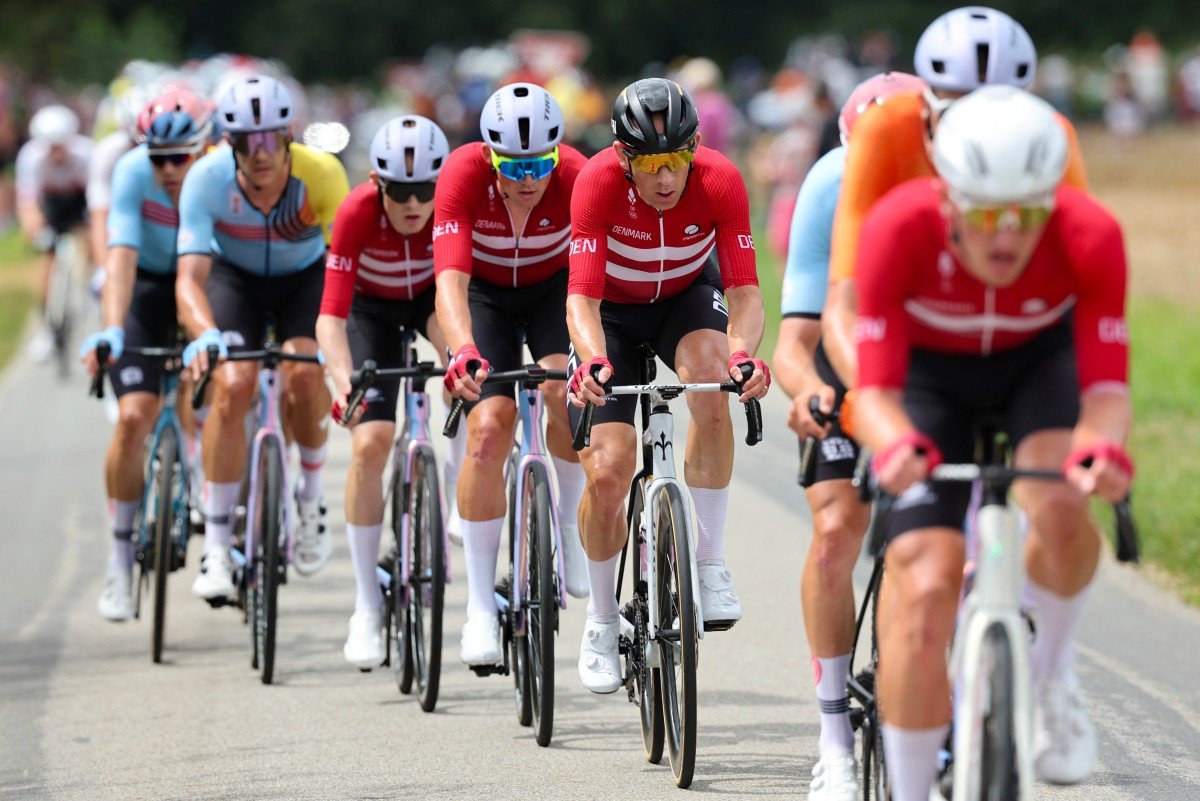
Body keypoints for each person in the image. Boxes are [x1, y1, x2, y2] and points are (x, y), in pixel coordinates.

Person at [852, 86, 1133, 800]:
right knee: (925, 584)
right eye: (984, 214)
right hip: (930, 379)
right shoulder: (895, 226)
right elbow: (874, 393)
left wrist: (1101, 449)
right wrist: (895, 445)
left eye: (1027, 215)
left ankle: (1050, 672)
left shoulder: (1091, 233)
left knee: (1061, 503)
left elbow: (1106, 391)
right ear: (947, 199)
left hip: (1038, 364)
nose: (1006, 237)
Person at [565, 78, 770, 693]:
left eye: (678, 159)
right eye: (650, 164)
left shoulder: (720, 179)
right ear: (623, 156)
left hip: (685, 298)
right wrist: (592, 361)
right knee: (608, 470)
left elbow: (744, 291)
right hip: (613, 314)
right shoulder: (597, 182)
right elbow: (581, 297)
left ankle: (708, 561)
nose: (666, 177)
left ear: (695, 147)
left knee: (711, 381)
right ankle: (602, 619)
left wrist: (743, 355)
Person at [771, 71, 927, 801]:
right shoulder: (830, 186)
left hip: (927, 359)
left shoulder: (957, 183)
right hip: (847, 358)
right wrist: (808, 393)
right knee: (837, 529)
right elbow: (794, 344)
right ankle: (833, 735)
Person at [822, 5, 1090, 392]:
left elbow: (1083, 287)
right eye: (956, 110)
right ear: (925, 103)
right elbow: (845, 304)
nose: (975, 131)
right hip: (917, 326)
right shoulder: (885, 130)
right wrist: (873, 401)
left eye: (1000, 113)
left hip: (1022, 335)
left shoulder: (1053, 136)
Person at [175, 75, 349, 600]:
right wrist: (204, 334)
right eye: (247, 142)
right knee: (232, 384)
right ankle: (216, 546)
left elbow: (347, 264)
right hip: (236, 282)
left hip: (305, 279)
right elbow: (190, 279)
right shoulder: (206, 178)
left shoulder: (321, 173)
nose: (261, 153)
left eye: (272, 138)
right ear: (229, 142)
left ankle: (311, 497)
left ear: (289, 135)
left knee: (305, 372)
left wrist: (341, 339)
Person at [434, 82, 589, 667]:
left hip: (553, 291)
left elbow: (592, 274)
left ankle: (569, 530)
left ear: (557, 153)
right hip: (487, 298)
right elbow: (450, 281)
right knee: (488, 426)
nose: (528, 179)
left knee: (560, 391)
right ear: (488, 155)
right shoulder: (461, 174)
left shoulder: (578, 175)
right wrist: (462, 349)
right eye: (514, 166)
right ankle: (479, 605)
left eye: (540, 164)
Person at [316, 115, 452, 669]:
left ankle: (454, 487)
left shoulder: (449, 209)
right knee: (371, 442)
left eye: (425, 189)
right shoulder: (356, 212)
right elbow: (330, 316)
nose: (414, 203)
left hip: (430, 302)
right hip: (369, 311)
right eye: (400, 191)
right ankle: (366, 605)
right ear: (378, 184)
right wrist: (342, 381)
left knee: (464, 365)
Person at [79, 89, 213, 621]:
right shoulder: (132, 172)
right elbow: (121, 257)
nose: (169, 169)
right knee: (133, 417)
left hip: (205, 282)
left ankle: (218, 507)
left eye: (180, 157)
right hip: (148, 288)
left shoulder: (219, 173)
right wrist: (112, 327)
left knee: (219, 394)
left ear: (203, 149)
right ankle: (118, 562)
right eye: (159, 158)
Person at [14, 104, 93, 361]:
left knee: (90, 244)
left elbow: (98, 202)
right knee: (47, 260)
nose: (56, 153)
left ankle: (88, 298)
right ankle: (46, 326)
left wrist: (91, 232)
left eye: (60, 146)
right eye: (50, 147)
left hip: (80, 203)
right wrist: (37, 230)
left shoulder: (86, 153)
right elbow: (27, 203)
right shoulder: (30, 157)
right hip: (51, 207)